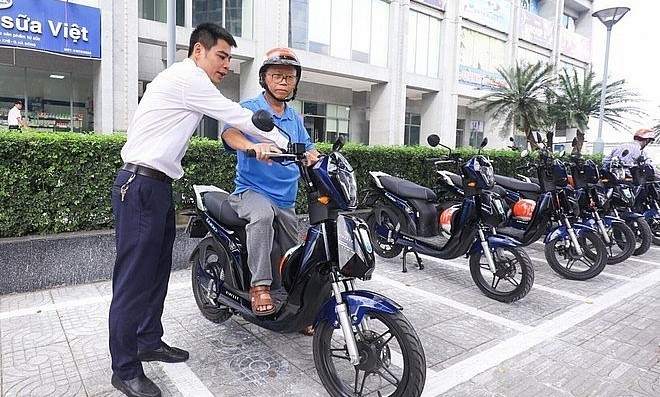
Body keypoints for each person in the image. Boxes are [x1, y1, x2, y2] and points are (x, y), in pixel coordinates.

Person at [109, 23, 287, 397]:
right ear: (198, 52)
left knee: (156, 272)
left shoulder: (188, 81)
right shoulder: (189, 79)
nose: (226, 66)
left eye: (229, 59)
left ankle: (147, 340)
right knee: (132, 280)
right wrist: (282, 142)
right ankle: (125, 368)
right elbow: (236, 116)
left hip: (157, 185)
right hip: (139, 184)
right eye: (221, 56)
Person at [221, 47, 320, 326]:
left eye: (289, 77)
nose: (283, 82)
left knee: (294, 246)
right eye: (276, 75)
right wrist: (253, 147)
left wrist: (320, 159)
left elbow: (309, 149)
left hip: (285, 199)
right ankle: (259, 286)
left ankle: (295, 303)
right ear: (264, 78)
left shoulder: (294, 118)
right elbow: (230, 133)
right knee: (263, 216)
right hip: (250, 191)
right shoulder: (252, 108)